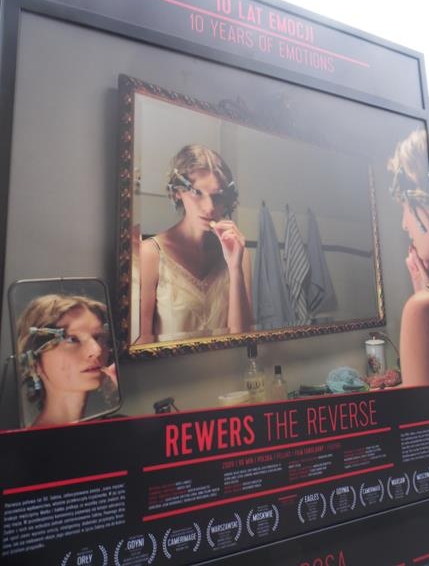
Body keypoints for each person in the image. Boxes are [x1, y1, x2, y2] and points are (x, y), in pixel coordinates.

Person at [137, 144, 253, 343]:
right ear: (177, 192)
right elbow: (140, 344)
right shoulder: (150, 254)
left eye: (217, 197)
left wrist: (234, 268)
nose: (209, 208)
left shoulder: (239, 256)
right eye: (197, 193)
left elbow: (244, 342)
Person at [389, 128, 429, 385]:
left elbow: (426, 411)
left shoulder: (423, 309)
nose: (404, 225)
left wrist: (426, 302)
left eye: (403, 208)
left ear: (423, 207)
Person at [17, 294, 118, 428]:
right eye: (72, 339)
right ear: (34, 362)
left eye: (98, 337)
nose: (96, 350)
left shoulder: (116, 427)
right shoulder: (26, 441)